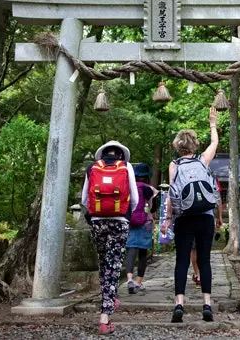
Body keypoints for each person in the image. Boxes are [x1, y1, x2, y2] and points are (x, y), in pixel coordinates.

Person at [161, 107, 220, 323]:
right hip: (205, 217)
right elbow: (214, 143)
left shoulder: (174, 165)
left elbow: (172, 192)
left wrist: (168, 219)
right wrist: (212, 123)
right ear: (194, 144)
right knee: (204, 261)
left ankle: (179, 305)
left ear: (177, 146)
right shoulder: (202, 160)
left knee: (182, 262)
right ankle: (206, 304)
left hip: (184, 218)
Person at [81, 141, 139, 335]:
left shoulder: (92, 168)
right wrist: (125, 215)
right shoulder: (126, 167)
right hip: (119, 220)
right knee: (113, 266)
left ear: (102, 154)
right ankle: (105, 318)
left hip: (98, 221)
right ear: (121, 155)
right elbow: (136, 198)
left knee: (104, 264)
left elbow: (83, 199)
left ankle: (110, 297)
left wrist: (95, 214)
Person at [125, 163, 159, 294]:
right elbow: (153, 208)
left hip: (130, 221)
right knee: (143, 253)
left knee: (131, 250)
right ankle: (138, 282)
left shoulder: (128, 187)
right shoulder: (149, 189)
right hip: (145, 222)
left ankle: (129, 279)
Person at [191, 178, 224, 288]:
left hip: (190, 218)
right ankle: (201, 276)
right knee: (204, 250)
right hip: (207, 218)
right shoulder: (211, 179)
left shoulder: (187, 175)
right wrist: (219, 217)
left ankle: (197, 275)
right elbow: (218, 199)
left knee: (194, 250)